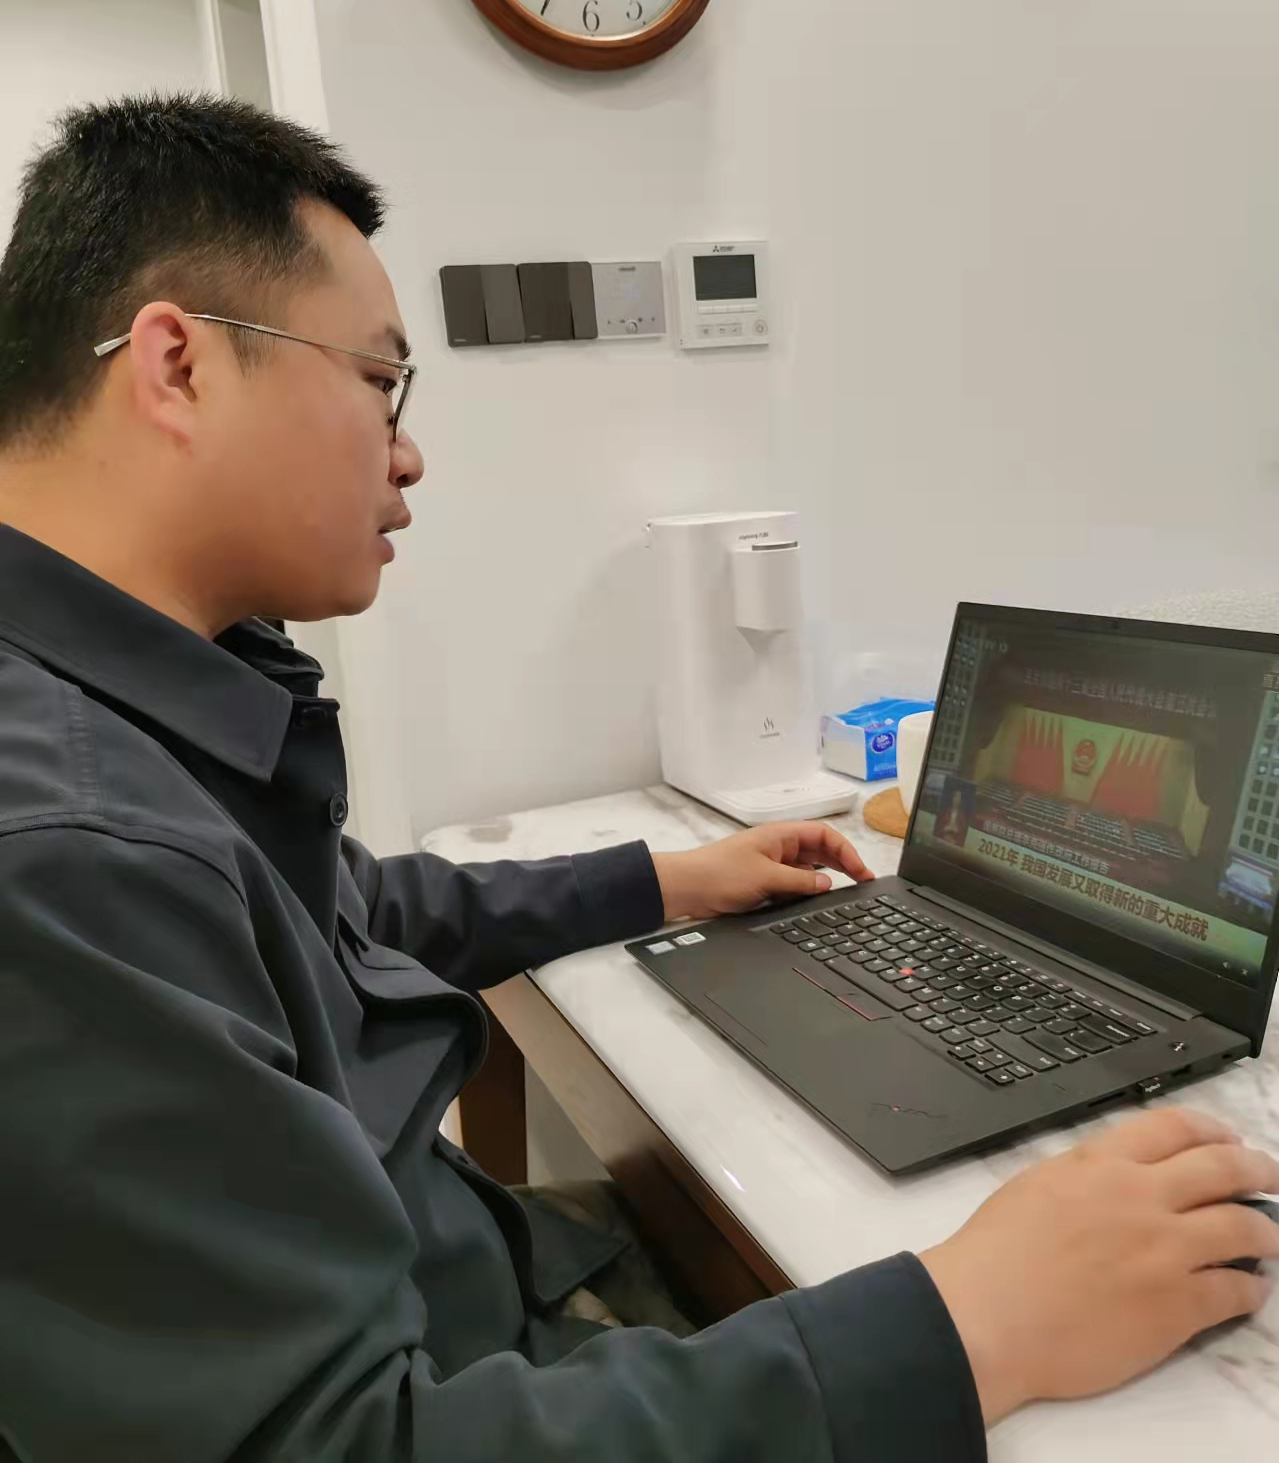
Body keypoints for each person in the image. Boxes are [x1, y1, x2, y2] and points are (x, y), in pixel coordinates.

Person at [0, 94, 1273, 1463]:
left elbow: (341, 915)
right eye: (379, 381)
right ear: (178, 365)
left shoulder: (126, 719)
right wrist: (973, 1325)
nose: (408, 449)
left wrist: (663, 878)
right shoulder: (72, 851)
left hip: (473, 1285)